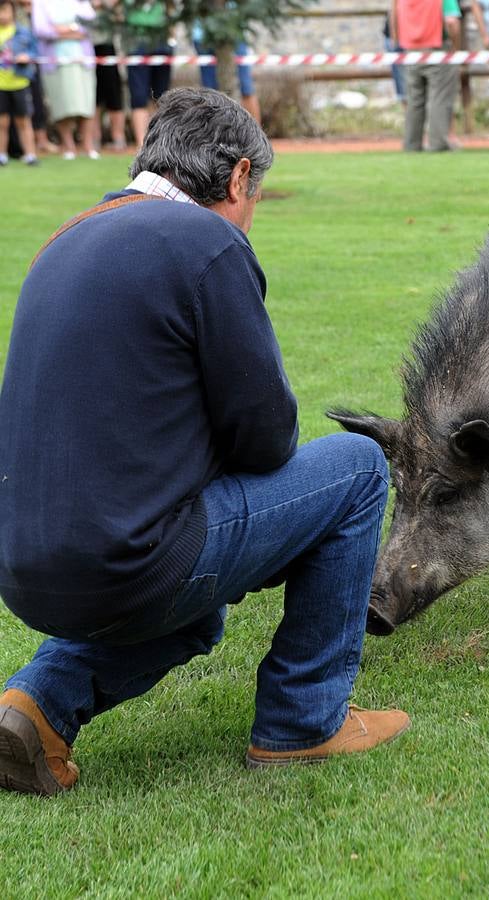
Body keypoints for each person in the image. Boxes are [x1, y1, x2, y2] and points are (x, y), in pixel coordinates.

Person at [0, 87, 410, 797]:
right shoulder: (206, 240)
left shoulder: (64, 238)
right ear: (239, 177)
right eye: (253, 200)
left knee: (195, 612)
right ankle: (304, 719)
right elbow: (267, 435)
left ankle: (33, 705)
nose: (249, 221)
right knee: (356, 466)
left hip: (24, 569)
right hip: (130, 562)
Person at [31, 0, 98, 159]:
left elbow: (92, 24)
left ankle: (88, 146)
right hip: (55, 61)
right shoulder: (40, 3)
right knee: (62, 104)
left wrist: (61, 30)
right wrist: (73, 30)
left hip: (83, 60)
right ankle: (68, 146)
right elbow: (41, 29)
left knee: (86, 103)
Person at [393, 0, 463, 151]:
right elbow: (452, 22)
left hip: (411, 50)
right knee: (440, 98)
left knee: (414, 101)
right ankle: (438, 143)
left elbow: (394, 17)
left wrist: (398, 44)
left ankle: (411, 143)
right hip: (437, 49)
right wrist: (456, 50)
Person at [123, 0, 172, 149]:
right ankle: (141, 145)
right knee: (139, 96)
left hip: (161, 42)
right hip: (136, 41)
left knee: (161, 97)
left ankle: (159, 143)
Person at [193, 19, 261, 122]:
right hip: (203, 36)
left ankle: (256, 135)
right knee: (209, 93)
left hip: (232, 33)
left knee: (245, 88)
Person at [0, 0, 38, 165]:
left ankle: (30, 155)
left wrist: (27, 57)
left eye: (5, 11)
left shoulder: (22, 32)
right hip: (1, 85)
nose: (2, 15)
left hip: (19, 83)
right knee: (2, 122)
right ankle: (2, 155)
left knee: (23, 121)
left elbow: (34, 51)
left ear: (12, 12)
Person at [90, 0, 127, 152]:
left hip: (108, 45)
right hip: (87, 47)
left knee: (114, 93)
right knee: (93, 95)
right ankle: (94, 138)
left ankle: (118, 137)